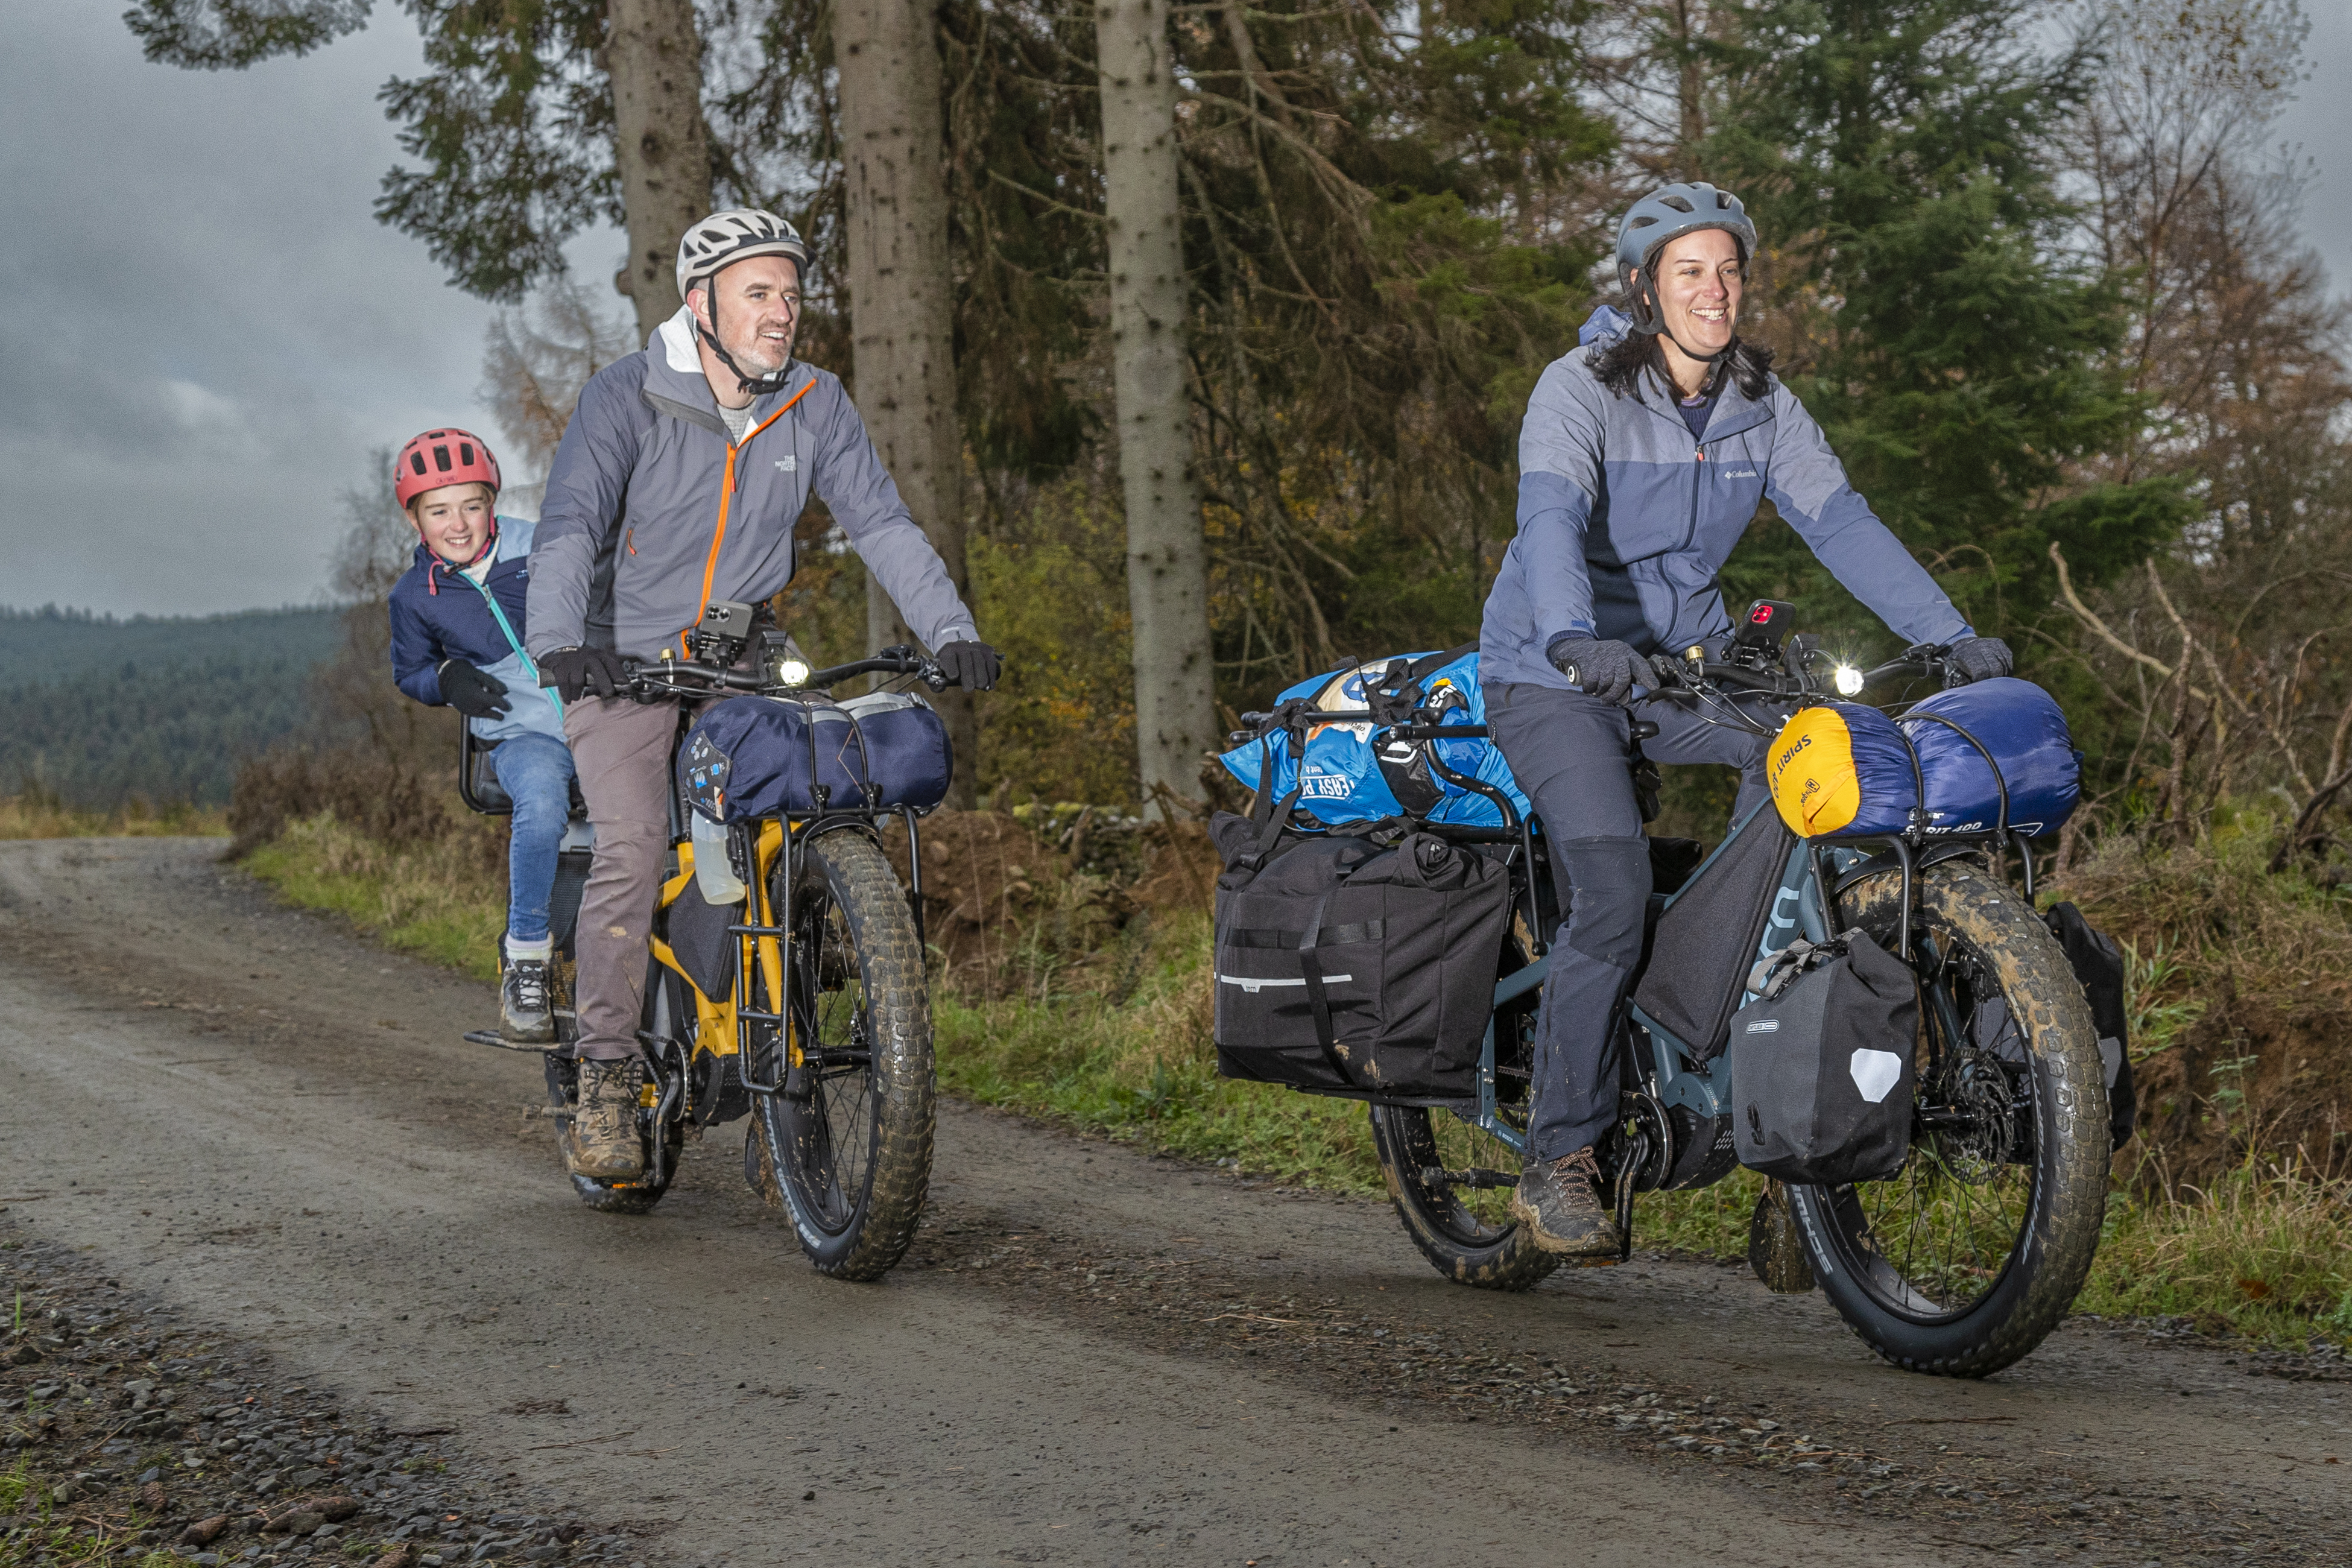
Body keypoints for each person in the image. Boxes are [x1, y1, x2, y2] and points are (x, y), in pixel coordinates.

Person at [1479, 182, 2014, 1257]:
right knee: (1614, 888)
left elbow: (1842, 523)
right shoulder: (1577, 387)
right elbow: (1549, 517)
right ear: (1644, 289)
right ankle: (1560, 1161)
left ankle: (1782, 1139)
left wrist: (1950, 633)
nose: (1715, 291)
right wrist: (1574, 633)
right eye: (1690, 271)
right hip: (1552, 671)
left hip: (1683, 672)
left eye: (1728, 271)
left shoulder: (1761, 404)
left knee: (1812, 792)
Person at [527, 208, 1001, 1182]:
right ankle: (609, 1077)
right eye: (759, 292)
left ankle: (764, 1062)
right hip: (620, 664)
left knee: (782, 829)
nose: (783, 311)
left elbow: (882, 524)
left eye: (791, 292)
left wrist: (951, 632)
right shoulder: (627, 396)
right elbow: (571, 523)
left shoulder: (816, 404)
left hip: (740, 663)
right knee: (635, 846)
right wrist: (564, 643)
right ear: (700, 303)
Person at [386, 428, 576, 1045]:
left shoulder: (540, 544)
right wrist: (445, 678)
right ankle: (526, 958)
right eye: (439, 511)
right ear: (416, 518)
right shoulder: (415, 596)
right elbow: (409, 671)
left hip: (599, 717)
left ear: (492, 501)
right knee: (543, 803)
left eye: (472, 504)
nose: (459, 524)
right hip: (523, 736)